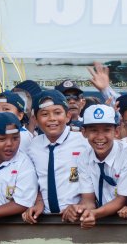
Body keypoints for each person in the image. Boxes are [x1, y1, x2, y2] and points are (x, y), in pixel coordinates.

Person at [23, 90, 89, 224]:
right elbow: (35, 181)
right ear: (35, 119)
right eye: (45, 114)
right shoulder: (32, 147)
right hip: (44, 219)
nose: (52, 118)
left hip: (77, 217)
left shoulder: (83, 143)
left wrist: (81, 206)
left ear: (68, 116)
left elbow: (91, 179)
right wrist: (38, 202)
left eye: (57, 113)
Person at [72, 104, 127, 228]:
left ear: (117, 131)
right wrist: (83, 212)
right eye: (93, 130)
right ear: (84, 132)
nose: (100, 137)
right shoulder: (84, 158)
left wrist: (94, 214)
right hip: (100, 220)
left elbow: (122, 199)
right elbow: (88, 200)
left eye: (107, 130)